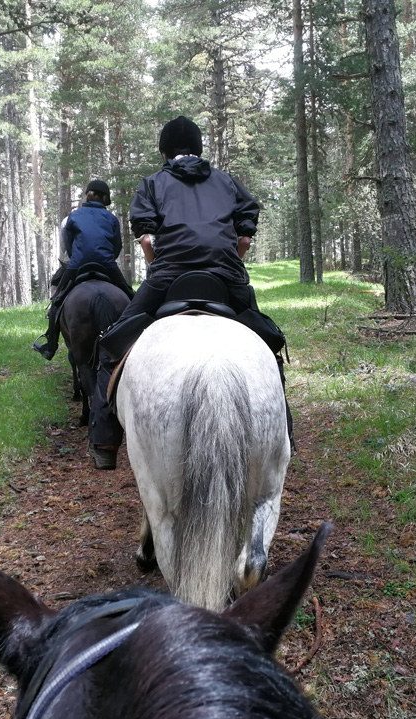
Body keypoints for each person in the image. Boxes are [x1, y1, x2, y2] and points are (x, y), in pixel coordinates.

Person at [87, 116, 291, 470]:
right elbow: (244, 235)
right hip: (225, 276)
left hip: (169, 275)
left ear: (165, 151)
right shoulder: (227, 182)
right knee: (268, 340)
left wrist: (158, 265)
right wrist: (230, 260)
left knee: (113, 345)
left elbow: (147, 239)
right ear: (198, 148)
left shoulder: (153, 183)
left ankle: (104, 442)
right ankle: (283, 429)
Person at [33, 180, 134, 360]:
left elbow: (68, 246)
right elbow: (116, 246)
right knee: (131, 297)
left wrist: (78, 257)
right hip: (107, 265)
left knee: (57, 302)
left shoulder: (73, 217)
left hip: (77, 265)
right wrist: (107, 257)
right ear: (101, 197)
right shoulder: (111, 218)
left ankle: (50, 346)